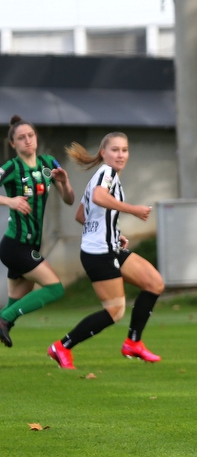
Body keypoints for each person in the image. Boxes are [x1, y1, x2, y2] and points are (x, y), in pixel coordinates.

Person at [47, 133, 165, 369]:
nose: (120, 155)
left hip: (109, 245)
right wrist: (132, 210)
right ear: (104, 153)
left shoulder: (102, 177)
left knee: (154, 283)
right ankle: (62, 347)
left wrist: (112, 230)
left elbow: (81, 215)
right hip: (99, 252)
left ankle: (133, 342)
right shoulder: (107, 173)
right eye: (115, 150)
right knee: (114, 311)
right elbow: (100, 198)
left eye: (124, 150)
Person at [0, 115, 75, 347]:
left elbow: (69, 200)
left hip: (32, 245)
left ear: (36, 137)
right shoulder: (11, 167)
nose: (27, 140)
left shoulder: (49, 163)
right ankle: (3, 319)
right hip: (15, 246)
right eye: (21, 138)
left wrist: (64, 182)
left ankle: (4, 320)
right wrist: (9, 201)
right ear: (13, 144)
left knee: (14, 304)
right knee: (55, 289)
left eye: (30, 135)